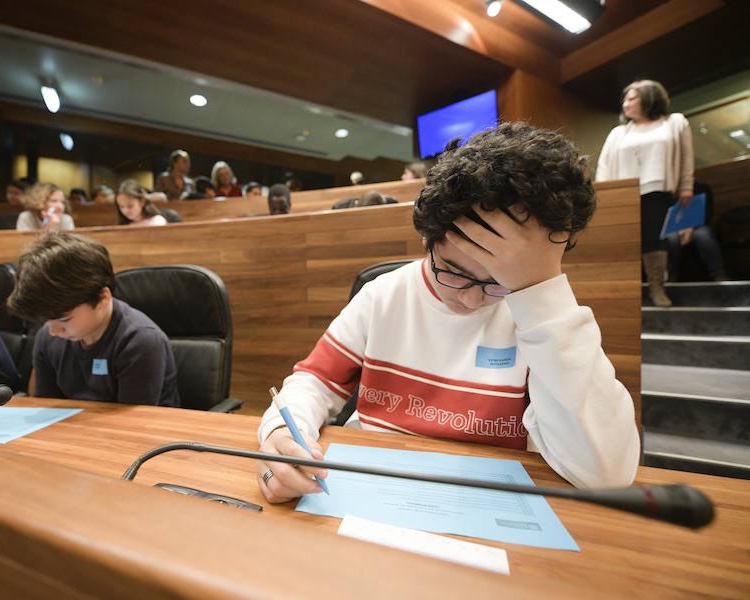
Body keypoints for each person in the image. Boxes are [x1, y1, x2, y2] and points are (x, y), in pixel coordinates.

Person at [255, 122, 640, 504]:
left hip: (490, 504)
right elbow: (314, 383)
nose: (472, 300)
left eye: (498, 281)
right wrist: (280, 435)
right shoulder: (384, 295)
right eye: (454, 272)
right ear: (427, 239)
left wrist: (541, 295)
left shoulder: (545, 318)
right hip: (372, 491)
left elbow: (608, 474)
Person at [6, 232, 180, 406]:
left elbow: (134, 424)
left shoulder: (140, 341)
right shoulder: (48, 337)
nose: (53, 331)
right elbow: (47, 407)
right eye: (45, 320)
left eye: (64, 320)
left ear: (102, 298)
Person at [596, 80, 694, 307]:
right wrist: (603, 194)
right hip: (623, 192)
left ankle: (657, 288)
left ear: (649, 98)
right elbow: (604, 165)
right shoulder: (618, 132)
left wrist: (687, 186)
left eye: (632, 98)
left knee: (654, 240)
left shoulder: (674, 123)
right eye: (625, 99)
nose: (626, 103)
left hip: (656, 189)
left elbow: (687, 158)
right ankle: (625, 292)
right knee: (623, 241)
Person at [665, 182, 728, 281]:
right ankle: (671, 276)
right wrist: (678, 228)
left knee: (704, 235)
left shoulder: (702, 187)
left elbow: (708, 212)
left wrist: (691, 226)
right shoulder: (667, 192)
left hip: (698, 226)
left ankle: (718, 274)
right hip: (675, 228)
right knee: (671, 238)